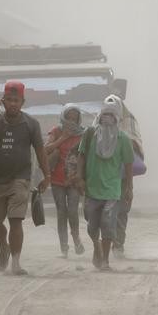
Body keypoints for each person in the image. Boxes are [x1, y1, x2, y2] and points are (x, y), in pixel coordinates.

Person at [0, 81, 51, 275]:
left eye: (16, 100)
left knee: (16, 220)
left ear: (22, 102)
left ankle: (16, 263)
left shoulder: (31, 124)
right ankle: (3, 247)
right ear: (3, 101)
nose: (13, 103)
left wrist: (47, 175)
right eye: (9, 100)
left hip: (20, 179)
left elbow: (40, 151)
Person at [75, 102, 134, 271]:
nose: (107, 119)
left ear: (116, 120)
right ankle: (96, 246)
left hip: (113, 190)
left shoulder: (123, 139)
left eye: (111, 116)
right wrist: (79, 177)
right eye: (104, 116)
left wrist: (129, 188)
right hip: (92, 189)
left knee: (108, 223)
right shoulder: (90, 134)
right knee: (92, 225)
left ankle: (105, 260)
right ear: (99, 118)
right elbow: (81, 156)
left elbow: (129, 165)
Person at [102, 94, 145, 258]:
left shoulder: (129, 121)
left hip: (123, 176)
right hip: (104, 176)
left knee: (122, 211)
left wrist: (120, 139)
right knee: (105, 212)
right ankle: (106, 244)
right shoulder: (97, 125)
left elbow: (135, 145)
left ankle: (118, 245)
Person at [44, 104, 86, 258]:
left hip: (74, 179)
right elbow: (46, 150)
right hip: (57, 180)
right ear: (64, 116)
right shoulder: (56, 131)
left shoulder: (83, 134)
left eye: (75, 117)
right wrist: (63, 138)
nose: (72, 120)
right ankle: (64, 248)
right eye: (69, 117)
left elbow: (86, 156)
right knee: (61, 212)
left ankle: (76, 239)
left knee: (73, 211)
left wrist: (81, 178)